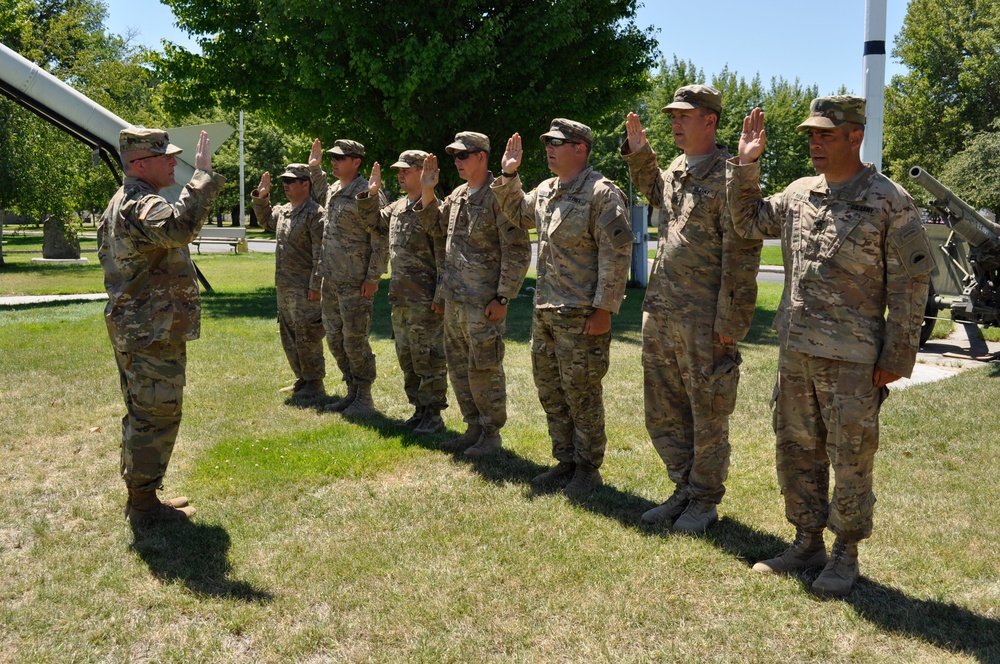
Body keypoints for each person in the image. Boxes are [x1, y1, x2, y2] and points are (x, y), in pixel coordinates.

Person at [728, 96, 933, 596]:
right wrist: (746, 166)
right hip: (796, 352)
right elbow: (747, 222)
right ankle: (806, 542)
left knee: (851, 457)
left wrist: (897, 357)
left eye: (826, 135)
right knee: (796, 451)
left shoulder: (889, 199)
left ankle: (845, 551)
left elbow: (912, 285)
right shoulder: (799, 193)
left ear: (854, 136)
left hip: (853, 360)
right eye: (811, 136)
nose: (815, 144)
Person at [621, 86, 762, 533]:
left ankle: (704, 499)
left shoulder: (731, 176)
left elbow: (743, 255)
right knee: (662, 410)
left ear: (710, 121)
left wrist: (730, 326)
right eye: (673, 116)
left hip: (705, 320)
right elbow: (655, 194)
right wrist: (641, 155)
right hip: (661, 312)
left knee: (708, 413)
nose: (676, 122)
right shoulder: (679, 170)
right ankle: (682, 487)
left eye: (685, 116)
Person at [493, 119, 632, 497]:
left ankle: (588, 468)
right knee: (550, 389)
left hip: (582, 313)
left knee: (582, 392)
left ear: (580, 149)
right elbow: (518, 215)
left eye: (558, 142)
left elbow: (617, 253)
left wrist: (604, 309)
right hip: (546, 309)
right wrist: (508, 175)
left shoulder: (602, 192)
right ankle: (565, 461)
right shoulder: (546, 190)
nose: (550, 148)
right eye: (548, 143)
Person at [98, 127, 225, 526]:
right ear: (139, 164)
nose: (174, 162)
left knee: (145, 413)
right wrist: (201, 178)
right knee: (156, 415)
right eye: (165, 156)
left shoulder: (128, 201)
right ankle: (144, 507)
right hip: (150, 330)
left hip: (143, 328)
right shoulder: (139, 203)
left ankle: (144, 495)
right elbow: (178, 228)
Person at [415, 132, 531, 456]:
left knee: (484, 367)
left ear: (482, 157)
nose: (457, 162)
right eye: (454, 156)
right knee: (459, 367)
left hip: (484, 303)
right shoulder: (457, 195)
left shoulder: (499, 197)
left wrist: (504, 297)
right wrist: (427, 190)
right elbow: (435, 226)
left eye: (463, 155)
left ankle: (491, 435)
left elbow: (518, 251)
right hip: (454, 300)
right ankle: (473, 428)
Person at [357, 151, 449, 435]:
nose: (399, 174)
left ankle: (433, 415)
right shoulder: (397, 208)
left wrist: (441, 295)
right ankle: (418, 410)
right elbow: (372, 222)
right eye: (398, 170)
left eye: (405, 170)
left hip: (425, 300)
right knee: (407, 357)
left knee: (429, 357)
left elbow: (445, 256)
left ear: (424, 172)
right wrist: (371, 194)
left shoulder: (434, 208)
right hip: (401, 299)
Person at [308, 139, 388, 417]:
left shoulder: (368, 192)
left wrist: (373, 276)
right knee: (335, 338)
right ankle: (351, 390)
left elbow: (380, 236)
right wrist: (315, 169)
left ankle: (364, 397)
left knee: (355, 340)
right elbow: (320, 191)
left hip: (355, 281)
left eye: (340, 158)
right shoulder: (333, 189)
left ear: (357, 162)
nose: (335, 161)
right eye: (333, 157)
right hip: (330, 278)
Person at [251, 163, 326, 399]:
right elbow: (266, 221)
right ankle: (302, 378)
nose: (286, 185)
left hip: (305, 288)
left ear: (306, 184)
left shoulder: (316, 214)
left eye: (291, 181)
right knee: (289, 334)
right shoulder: (284, 211)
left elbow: (320, 253)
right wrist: (262, 197)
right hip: (284, 285)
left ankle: (315, 383)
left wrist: (316, 286)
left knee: (307, 335)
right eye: (284, 180)